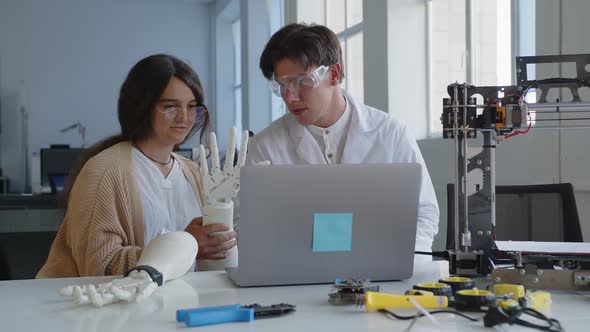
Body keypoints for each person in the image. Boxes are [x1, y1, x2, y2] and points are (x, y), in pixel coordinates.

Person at [37, 54, 236, 278]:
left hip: (176, 302)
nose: (184, 117)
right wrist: (186, 245)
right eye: (170, 106)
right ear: (142, 107)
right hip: (109, 308)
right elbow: (98, 267)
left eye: (192, 107)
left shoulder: (193, 172)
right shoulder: (104, 171)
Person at [248, 23, 439, 252]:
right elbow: (248, 224)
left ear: (334, 74)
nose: (290, 96)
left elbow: (423, 212)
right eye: (282, 84)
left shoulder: (391, 134)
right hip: (296, 273)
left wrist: (404, 264)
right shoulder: (265, 147)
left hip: (379, 271)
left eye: (301, 81)